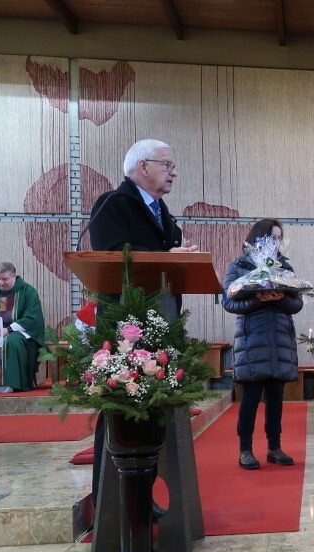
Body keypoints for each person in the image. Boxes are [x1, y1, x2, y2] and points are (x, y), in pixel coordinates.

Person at [88, 139, 199, 506]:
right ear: (143, 166)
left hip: (160, 324)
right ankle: (111, 502)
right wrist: (166, 256)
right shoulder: (113, 204)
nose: (174, 172)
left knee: (153, 415)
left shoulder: (163, 212)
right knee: (122, 411)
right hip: (126, 329)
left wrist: (180, 258)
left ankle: (144, 496)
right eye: (168, 165)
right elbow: (111, 254)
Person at [222, 220, 304, 470]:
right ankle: (245, 450)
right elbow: (229, 302)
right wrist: (258, 299)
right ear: (258, 238)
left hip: (279, 339)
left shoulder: (284, 266)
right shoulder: (239, 266)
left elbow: (297, 304)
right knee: (250, 398)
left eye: (279, 238)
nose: (276, 243)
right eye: (271, 238)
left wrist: (279, 298)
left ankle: (274, 448)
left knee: (276, 398)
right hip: (252, 340)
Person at [0, 262, 45, 393]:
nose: (1, 283)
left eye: (5, 279)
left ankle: (11, 384)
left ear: (14, 276)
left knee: (10, 342)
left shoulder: (28, 291)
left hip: (19, 331)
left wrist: (8, 329)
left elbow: (32, 318)